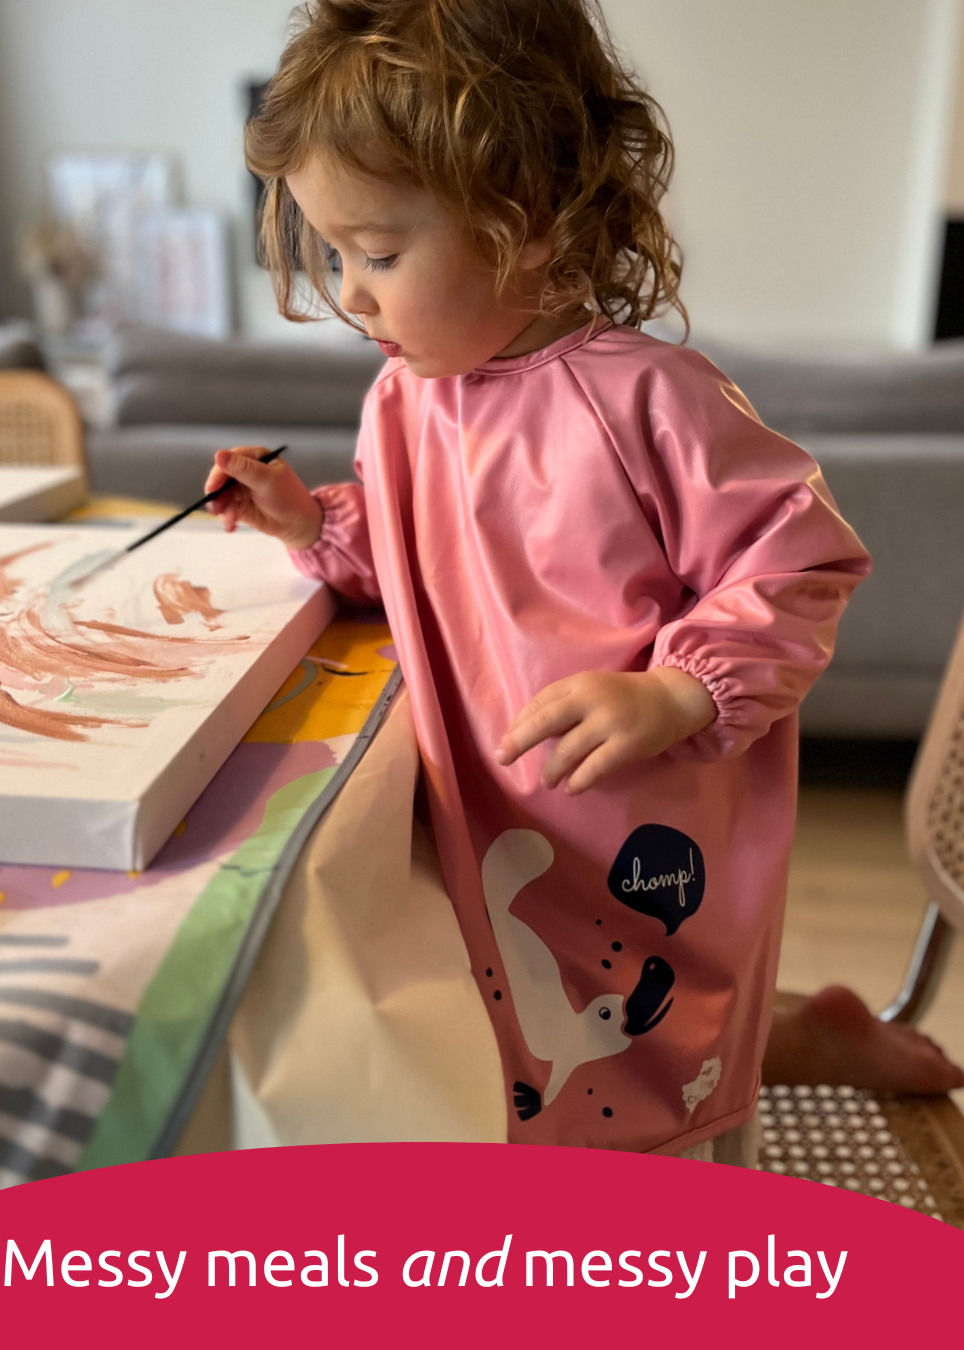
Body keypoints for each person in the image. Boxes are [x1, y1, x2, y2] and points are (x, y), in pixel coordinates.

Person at [207, 0, 963, 1157]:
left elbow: (801, 559)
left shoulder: (650, 399)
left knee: (644, 1077)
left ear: (526, 225)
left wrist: (678, 691)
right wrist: (310, 519)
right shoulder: (405, 396)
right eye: (335, 255)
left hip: (630, 822)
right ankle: (804, 1032)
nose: (351, 296)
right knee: (539, 1047)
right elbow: (419, 554)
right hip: (503, 819)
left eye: (381, 254)